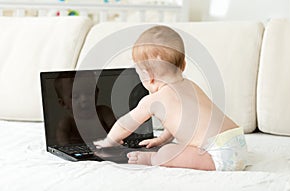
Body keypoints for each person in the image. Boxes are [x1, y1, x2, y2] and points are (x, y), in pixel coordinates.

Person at [93, 25, 248, 171]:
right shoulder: (191, 85)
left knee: (167, 152)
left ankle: (152, 159)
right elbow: (179, 123)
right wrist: (161, 139)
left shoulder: (152, 101)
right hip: (237, 141)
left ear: (148, 76)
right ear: (183, 65)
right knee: (171, 145)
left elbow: (125, 124)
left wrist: (109, 141)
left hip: (219, 156)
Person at [54, 72, 116, 145]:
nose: (84, 99)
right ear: (63, 103)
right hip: (80, 153)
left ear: (96, 93)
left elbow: (118, 128)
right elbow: (62, 143)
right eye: (75, 96)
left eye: (89, 92)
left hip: (106, 148)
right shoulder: (68, 123)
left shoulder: (103, 112)